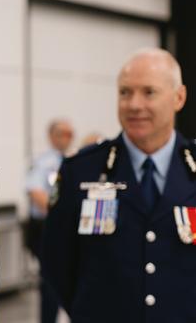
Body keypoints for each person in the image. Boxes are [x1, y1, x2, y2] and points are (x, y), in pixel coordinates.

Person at [42, 48, 195, 322]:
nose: (134, 104)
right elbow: (56, 259)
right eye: (125, 92)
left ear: (179, 97)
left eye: (149, 92)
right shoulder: (81, 170)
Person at [25, 119, 73, 323]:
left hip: (62, 228)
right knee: (51, 280)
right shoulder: (45, 162)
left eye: (70, 134)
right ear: (52, 136)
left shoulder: (70, 160)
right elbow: (36, 193)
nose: (67, 138)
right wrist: (59, 215)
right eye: (63, 133)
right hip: (45, 227)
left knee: (63, 277)